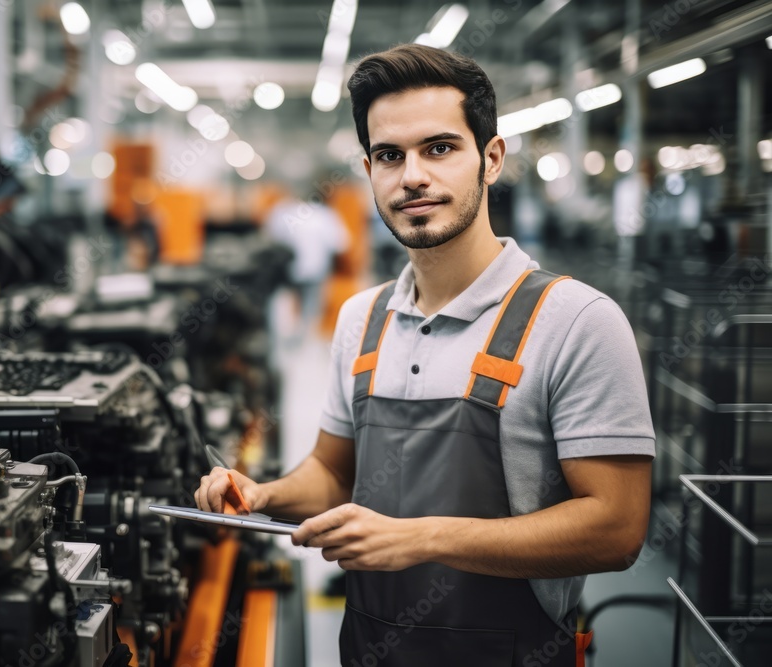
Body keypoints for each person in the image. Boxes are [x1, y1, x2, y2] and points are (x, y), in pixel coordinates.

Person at [196, 44, 654, 667]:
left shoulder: (578, 323)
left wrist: (423, 538)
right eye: (390, 156)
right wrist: (265, 495)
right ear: (369, 170)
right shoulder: (361, 319)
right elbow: (333, 474)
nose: (412, 175)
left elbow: (617, 529)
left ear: (490, 158)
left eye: (439, 148)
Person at [264, 190, 350, 344]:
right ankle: (303, 340)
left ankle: (285, 338)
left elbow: (270, 239)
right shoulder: (325, 215)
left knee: (284, 303)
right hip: (313, 270)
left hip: (286, 270)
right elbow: (341, 244)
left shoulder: (281, 211)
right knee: (310, 307)